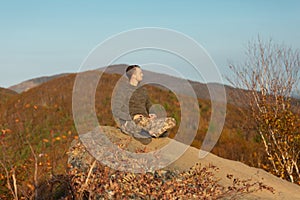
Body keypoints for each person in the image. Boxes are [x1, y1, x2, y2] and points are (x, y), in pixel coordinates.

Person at [112, 65, 176, 141]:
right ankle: (149, 131)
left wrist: (152, 113)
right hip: (129, 121)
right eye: (140, 73)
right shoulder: (123, 90)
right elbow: (116, 110)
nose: (142, 75)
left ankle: (148, 131)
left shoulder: (143, 90)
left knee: (171, 121)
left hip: (146, 120)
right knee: (140, 122)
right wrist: (132, 117)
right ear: (134, 75)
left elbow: (148, 104)